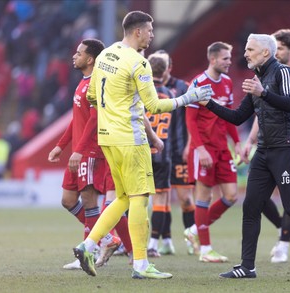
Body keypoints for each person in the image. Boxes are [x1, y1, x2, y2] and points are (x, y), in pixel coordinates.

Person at [72, 11, 213, 279]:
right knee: (139, 198)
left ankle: (87, 245)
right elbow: (154, 106)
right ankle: (140, 265)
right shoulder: (139, 63)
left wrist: (117, 109)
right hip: (130, 139)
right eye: (149, 30)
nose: (151, 35)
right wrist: (189, 97)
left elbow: (92, 95)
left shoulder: (106, 54)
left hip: (108, 138)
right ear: (137, 31)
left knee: (123, 197)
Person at [201, 33, 290, 280]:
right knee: (250, 206)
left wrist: (262, 92)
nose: (245, 53)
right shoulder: (257, 78)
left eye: (250, 49)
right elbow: (238, 117)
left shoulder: (284, 73)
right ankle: (248, 267)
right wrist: (208, 103)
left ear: (265, 52)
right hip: (265, 150)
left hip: (286, 148)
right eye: (246, 49)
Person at [48, 38, 122, 270]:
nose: (74, 56)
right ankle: (108, 238)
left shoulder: (96, 84)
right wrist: (61, 145)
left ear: (90, 59)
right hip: (78, 150)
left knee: (89, 200)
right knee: (68, 200)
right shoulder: (82, 83)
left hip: (90, 150)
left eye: (79, 53)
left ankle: (92, 249)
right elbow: (76, 120)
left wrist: (79, 150)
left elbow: (95, 118)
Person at [241, 28, 290, 263]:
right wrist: (250, 140)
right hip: (267, 143)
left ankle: (283, 244)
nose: (277, 51)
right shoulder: (264, 74)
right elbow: (261, 112)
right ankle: (285, 233)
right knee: (257, 199)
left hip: (289, 143)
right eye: (276, 47)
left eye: (281, 47)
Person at [184, 41, 241, 263]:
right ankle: (206, 249)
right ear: (213, 59)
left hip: (222, 149)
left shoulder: (227, 83)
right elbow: (190, 120)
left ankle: (195, 230)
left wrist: (236, 142)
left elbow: (228, 117)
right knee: (204, 196)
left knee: (231, 195)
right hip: (204, 148)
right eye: (226, 58)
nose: (229, 62)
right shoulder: (198, 84)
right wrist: (200, 148)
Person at [154, 49, 196, 256]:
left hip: (179, 150)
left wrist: (190, 144)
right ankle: (166, 240)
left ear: (170, 66)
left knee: (185, 199)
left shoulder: (182, 87)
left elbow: (192, 119)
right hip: (158, 151)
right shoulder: (148, 87)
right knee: (163, 196)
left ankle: (191, 238)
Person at [145, 53, 176, 258]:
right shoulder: (171, 95)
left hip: (142, 151)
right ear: (165, 72)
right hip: (163, 153)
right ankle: (153, 244)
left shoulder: (141, 93)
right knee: (161, 200)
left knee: (136, 200)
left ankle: (129, 245)